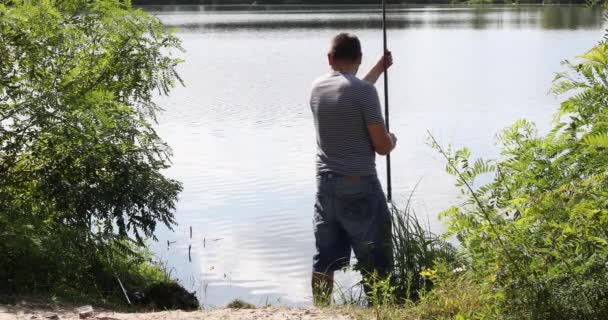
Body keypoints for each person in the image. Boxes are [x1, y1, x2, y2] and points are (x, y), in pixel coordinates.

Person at [309, 32, 397, 305]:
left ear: (329, 58)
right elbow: (382, 147)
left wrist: (378, 69)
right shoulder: (364, 92)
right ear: (358, 58)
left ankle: (321, 310)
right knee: (377, 258)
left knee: (324, 258)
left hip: (326, 186)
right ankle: (380, 310)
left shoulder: (317, 88)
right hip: (360, 185)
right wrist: (392, 140)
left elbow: (350, 92)